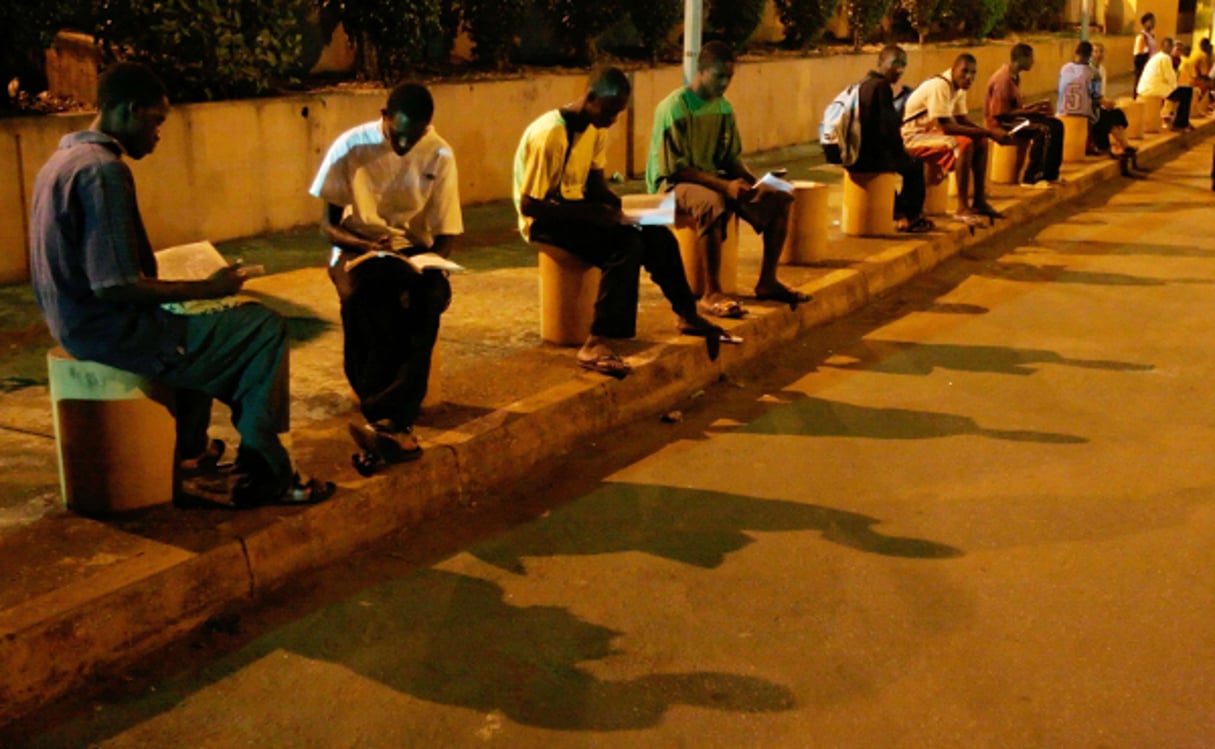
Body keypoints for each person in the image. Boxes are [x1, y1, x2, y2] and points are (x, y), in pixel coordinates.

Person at [28, 63, 334, 507]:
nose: (158, 134)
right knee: (260, 328)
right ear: (129, 112)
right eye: (156, 121)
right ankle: (267, 471)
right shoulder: (104, 172)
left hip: (71, 322)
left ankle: (191, 451)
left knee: (201, 328)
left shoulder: (60, 162)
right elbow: (114, 286)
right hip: (110, 331)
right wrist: (207, 289)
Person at [513, 67, 725, 378]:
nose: (612, 120)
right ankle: (597, 340)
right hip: (546, 219)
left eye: (618, 113)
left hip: (576, 209)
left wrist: (619, 209)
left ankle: (687, 313)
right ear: (590, 97)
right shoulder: (551, 134)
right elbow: (531, 206)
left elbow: (595, 182)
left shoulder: (595, 129)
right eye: (609, 111)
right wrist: (595, 215)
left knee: (656, 236)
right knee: (625, 247)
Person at [310, 83, 460, 472]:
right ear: (384, 116)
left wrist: (430, 266)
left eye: (416, 136)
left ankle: (390, 418)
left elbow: (446, 233)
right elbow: (328, 227)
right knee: (365, 296)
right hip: (357, 246)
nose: (405, 144)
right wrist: (364, 243)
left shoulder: (440, 152)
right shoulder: (351, 146)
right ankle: (388, 416)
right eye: (399, 134)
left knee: (428, 298)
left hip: (410, 249)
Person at [646, 41, 811, 319]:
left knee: (780, 195)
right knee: (712, 202)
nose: (725, 83)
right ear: (701, 71)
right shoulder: (674, 107)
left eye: (729, 77)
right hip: (674, 184)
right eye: (719, 76)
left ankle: (768, 281)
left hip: (711, 178)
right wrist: (725, 186)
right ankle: (711, 292)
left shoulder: (723, 108)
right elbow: (677, 169)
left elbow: (730, 158)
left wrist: (755, 182)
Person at [902, 53, 1010, 219]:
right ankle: (962, 206)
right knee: (963, 144)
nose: (969, 77)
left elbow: (962, 119)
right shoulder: (940, 86)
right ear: (953, 70)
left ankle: (979, 200)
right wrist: (989, 132)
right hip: (912, 137)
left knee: (980, 142)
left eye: (973, 73)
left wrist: (988, 134)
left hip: (930, 134)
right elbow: (947, 127)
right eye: (964, 71)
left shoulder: (959, 88)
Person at [850, 45, 932, 232]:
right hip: (867, 158)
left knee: (898, 164)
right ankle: (910, 216)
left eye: (903, 65)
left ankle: (898, 210)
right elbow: (890, 130)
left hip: (854, 155)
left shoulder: (863, 84)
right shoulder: (881, 87)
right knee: (914, 164)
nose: (899, 70)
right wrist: (903, 154)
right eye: (895, 63)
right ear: (881, 63)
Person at [986, 43, 1063, 186]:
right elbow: (1000, 114)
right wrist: (1028, 112)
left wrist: (1033, 109)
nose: (1033, 62)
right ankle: (1032, 177)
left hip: (1014, 118)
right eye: (1031, 58)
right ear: (1021, 58)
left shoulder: (1014, 76)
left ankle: (1051, 174)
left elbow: (1013, 107)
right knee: (1043, 130)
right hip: (1003, 124)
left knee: (1056, 124)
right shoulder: (1002, 80)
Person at [1076, 42, 1142, 176]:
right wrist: (1103, 103)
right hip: (1088, 109)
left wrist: (1105, 102)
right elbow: (1092, 96)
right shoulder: (1088, 71)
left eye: (1100, 51)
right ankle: (1122, 148)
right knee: (1107, 118)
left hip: (1095, 106)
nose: (1098, 54)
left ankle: (1124, 146)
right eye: (1094, 52)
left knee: (1117, 114)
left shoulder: (1101, 71)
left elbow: (1099, 94)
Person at [1138, 37, 1194, 131]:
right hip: (1153, 89)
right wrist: (1175, 86)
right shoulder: (1166, 58)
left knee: (1181, 90)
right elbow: (1171, 79)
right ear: (1169, 47)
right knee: (1187, 92)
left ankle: (1176, 119)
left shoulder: (1158, 56)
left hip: (1148, 87)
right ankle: (1180, 124)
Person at [1132, 13, 1158, 98]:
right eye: (1151, 21)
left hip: (1151, 65)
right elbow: (1138, 53)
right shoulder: (1141, 37)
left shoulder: (1151, 36)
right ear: (1145, 23)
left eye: (1154, 21)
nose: (1153, 23)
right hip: (1144, 65)